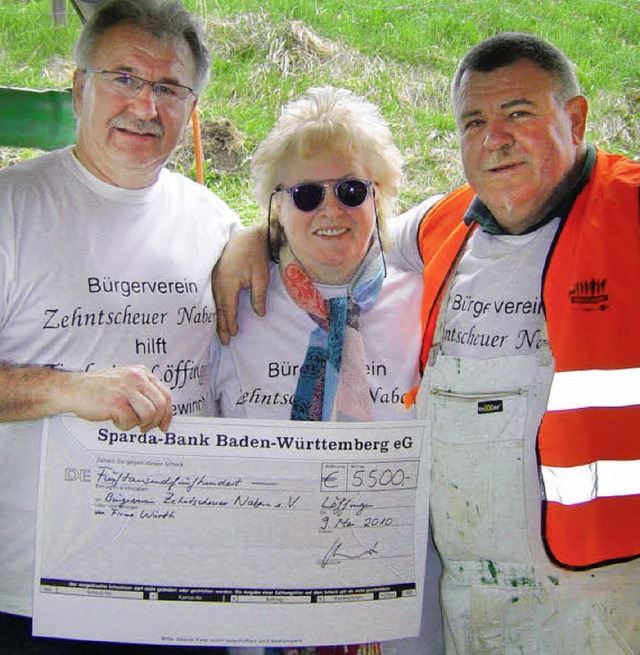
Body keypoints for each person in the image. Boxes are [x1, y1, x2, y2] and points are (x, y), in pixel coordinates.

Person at [212, 33, 640, 654]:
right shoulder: (446, 229)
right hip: (468, 601)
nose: (495, 138)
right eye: (474, 121)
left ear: (573, 119)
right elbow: (331, 232)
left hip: (609, 588)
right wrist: (251, 238)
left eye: (518, 113)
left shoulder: (628, 212)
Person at [0, 0, 239, 651]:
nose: (146, 106)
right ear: (80, 88)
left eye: (168, 87)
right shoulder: (12, 209)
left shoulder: (217, 224)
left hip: (182, 587)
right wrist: (68, 389)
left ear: (191, 108)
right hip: (34, 598)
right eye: (125, 79)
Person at [210, 86, 443, 655]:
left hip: (403, 611)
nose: (331, 210)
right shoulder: (230, 300)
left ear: (380, 196)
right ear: (276, 207)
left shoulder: (429, 295)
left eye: (351, 189)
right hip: (266, 600)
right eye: (307, 194)